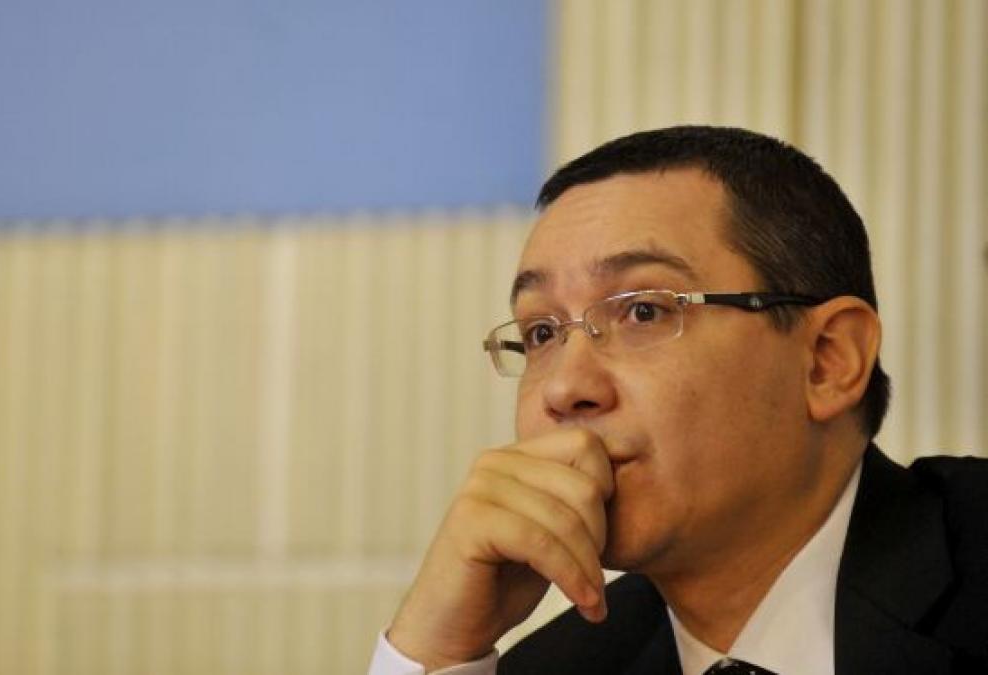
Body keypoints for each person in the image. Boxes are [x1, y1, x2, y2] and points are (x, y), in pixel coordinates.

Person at [367, 126, 988, 674]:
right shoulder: (556, 666)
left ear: (828, 360)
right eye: (542, 333)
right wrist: (438, 649)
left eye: (643, 311)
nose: (564, 389)